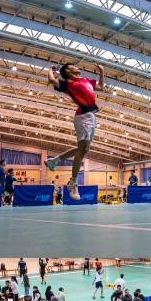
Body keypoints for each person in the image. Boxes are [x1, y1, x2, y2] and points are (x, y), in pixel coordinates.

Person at [44, 62, 106, 199]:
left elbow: (101, 87)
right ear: (68, 70)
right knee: (83, 149)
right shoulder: (68, 83)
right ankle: (73, 182)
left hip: (91, 116)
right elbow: (52, 80)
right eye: (73, 66)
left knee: (83, 149)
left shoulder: (86, 80)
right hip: (82, 116)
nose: (77, 67)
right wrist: (50, 70)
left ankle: (54, 161)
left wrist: (101, 72)